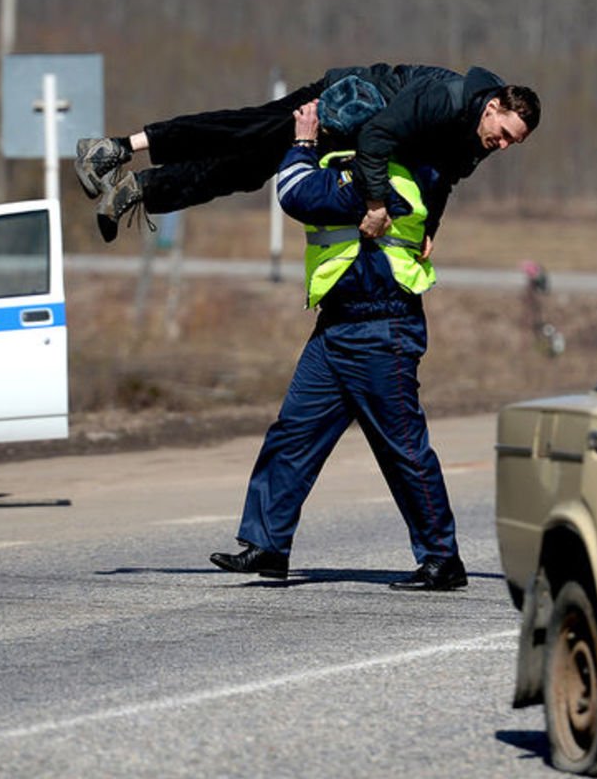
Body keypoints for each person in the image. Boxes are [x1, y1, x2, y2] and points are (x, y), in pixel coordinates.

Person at [208, 100, 467, 591]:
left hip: (382, 328)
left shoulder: (383, 176)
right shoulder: (385, 168)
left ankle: (441, 559)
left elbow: (296, 195)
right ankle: (267, 545)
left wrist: (303, 142)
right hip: (337, 326)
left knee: (404, 451)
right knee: (293, 434)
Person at [76, 63, 539, 242]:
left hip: (348, 135)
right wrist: (377, 204)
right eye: (502, 133)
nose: (501, 145)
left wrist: (429, 230)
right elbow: (379, 137)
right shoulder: (447, 98)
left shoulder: (476, 136)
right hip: (340, 103)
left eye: (511, 144)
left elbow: (443, 179)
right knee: (247, 131)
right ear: (493, 106)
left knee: (242, 170)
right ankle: (116, 147)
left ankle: (137, 189)